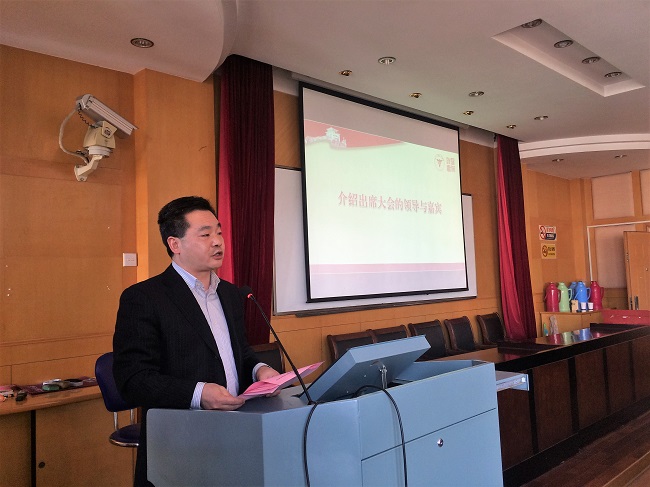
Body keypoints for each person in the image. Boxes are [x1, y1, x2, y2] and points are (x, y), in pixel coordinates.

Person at [113, 195, 279, 487]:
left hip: (236, 433)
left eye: (219, 232)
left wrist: (259, 370)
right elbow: (134, 379)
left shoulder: (230, 294)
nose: (217, 242)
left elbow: (239, 352)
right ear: (174, 244)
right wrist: (199, 393)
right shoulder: (144, 298)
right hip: (180, 444)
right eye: (205, 234)